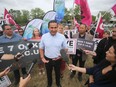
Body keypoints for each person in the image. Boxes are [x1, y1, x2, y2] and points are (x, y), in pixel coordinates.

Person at [39, 20, 67, 87]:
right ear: (48, 28)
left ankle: (58, 83)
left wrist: (62, 56)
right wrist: (42, 58)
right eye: (51, 27)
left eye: (55, 27)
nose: (53, 29)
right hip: (47, 59)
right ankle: (49, 84)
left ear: (57, 27)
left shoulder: (62, 37)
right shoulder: (44, 36)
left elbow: (65, 48)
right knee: (49, 73)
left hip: (58, 59)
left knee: (57, 73)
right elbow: (41, 48)